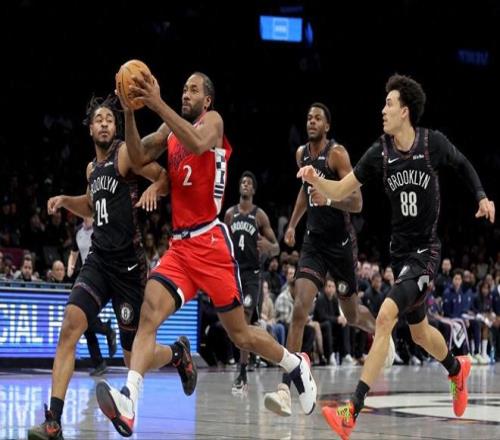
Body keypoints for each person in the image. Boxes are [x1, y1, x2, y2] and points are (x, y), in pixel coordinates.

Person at [95, 71, 317, 437]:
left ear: (207, 100)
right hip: (180, 247)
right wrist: (131, 111)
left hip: (211, 242)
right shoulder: (168, 130)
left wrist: (156, 103)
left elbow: (198, 144)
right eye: (184, 88)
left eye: (193, 90)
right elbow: (135, 156)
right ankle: (129, 400)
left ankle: (295, 364)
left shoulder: (212, 121)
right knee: (149, 314)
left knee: (241, 335)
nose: (186, 93)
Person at [298, 74, 495, 438]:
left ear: (405, 111)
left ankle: (351, 411)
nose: (382, 110)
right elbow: (340, 190)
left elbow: (463, 164)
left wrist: (482, 196)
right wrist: (315, 179)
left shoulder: (431, 143)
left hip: (426, 253)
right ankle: (457, 368)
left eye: (388, 104)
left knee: (386, 316)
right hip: (400, 255)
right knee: (420, 335)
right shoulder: (380, 152)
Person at [28, 94, 179, 440]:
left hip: (128, 267)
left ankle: (177, 354)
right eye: (99, 119)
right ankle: (54, 422)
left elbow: (162, 176)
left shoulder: (124, 154)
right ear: (90, 129)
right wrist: (66, 200)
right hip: (98, 261)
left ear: (116, 127)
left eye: (110, 119)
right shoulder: (91, 169)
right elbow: (92, 205)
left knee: (132, 358)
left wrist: (155, 188)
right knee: (70, 326)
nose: (105, 123)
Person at [264, 102, 392, 417]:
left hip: (341, 246)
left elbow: (357, 202)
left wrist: (330, 197)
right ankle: (284, 389)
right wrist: (293, 224)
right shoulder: (301, 155)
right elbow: (303, 191)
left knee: (351, 314)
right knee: (299, 309)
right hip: (314, 245)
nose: (312, 121)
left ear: (327, 126)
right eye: (309, 117)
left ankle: (379, 331)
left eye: (318, 118)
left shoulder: (337, 154)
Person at [224, 170, 279, 392]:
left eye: (249, 183)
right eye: (243, 182)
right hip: (233, 272)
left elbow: (276, 248)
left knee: (245, 318)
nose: (245, 184)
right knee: (235, 323)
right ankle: (256, 353)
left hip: (252, 275)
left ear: (253, 190)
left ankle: (243, 370)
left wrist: (268, 246)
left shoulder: (259, 215)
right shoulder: (230, 214)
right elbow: (223, 245)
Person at [67, 216, 117, 376]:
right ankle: (99, 362)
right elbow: (73, 252)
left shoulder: (100, 228)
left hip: (101, 276)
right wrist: (70, 266)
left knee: (85, 318)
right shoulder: (78, 232)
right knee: (85, 323)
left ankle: (107, 332)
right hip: (86, 275)